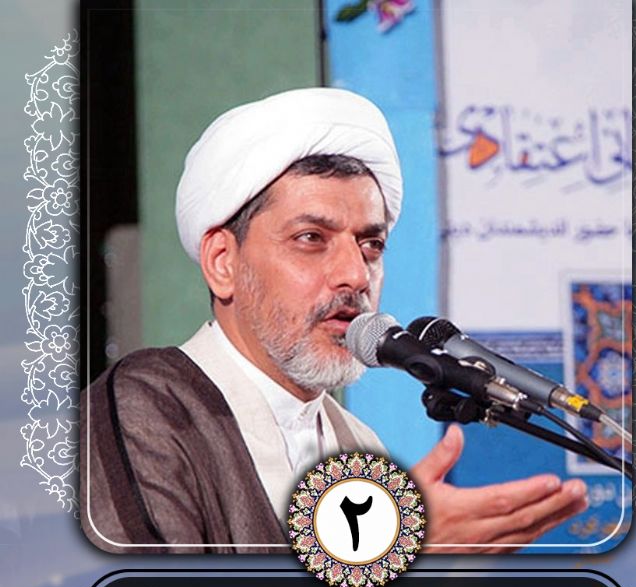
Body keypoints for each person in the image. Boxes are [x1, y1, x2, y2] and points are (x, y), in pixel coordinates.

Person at [80, 88, 588, 554]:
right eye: (311, 239)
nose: (355, 274)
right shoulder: (146, 407)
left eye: (371, 244)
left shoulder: (358, 444)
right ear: (223, 262)